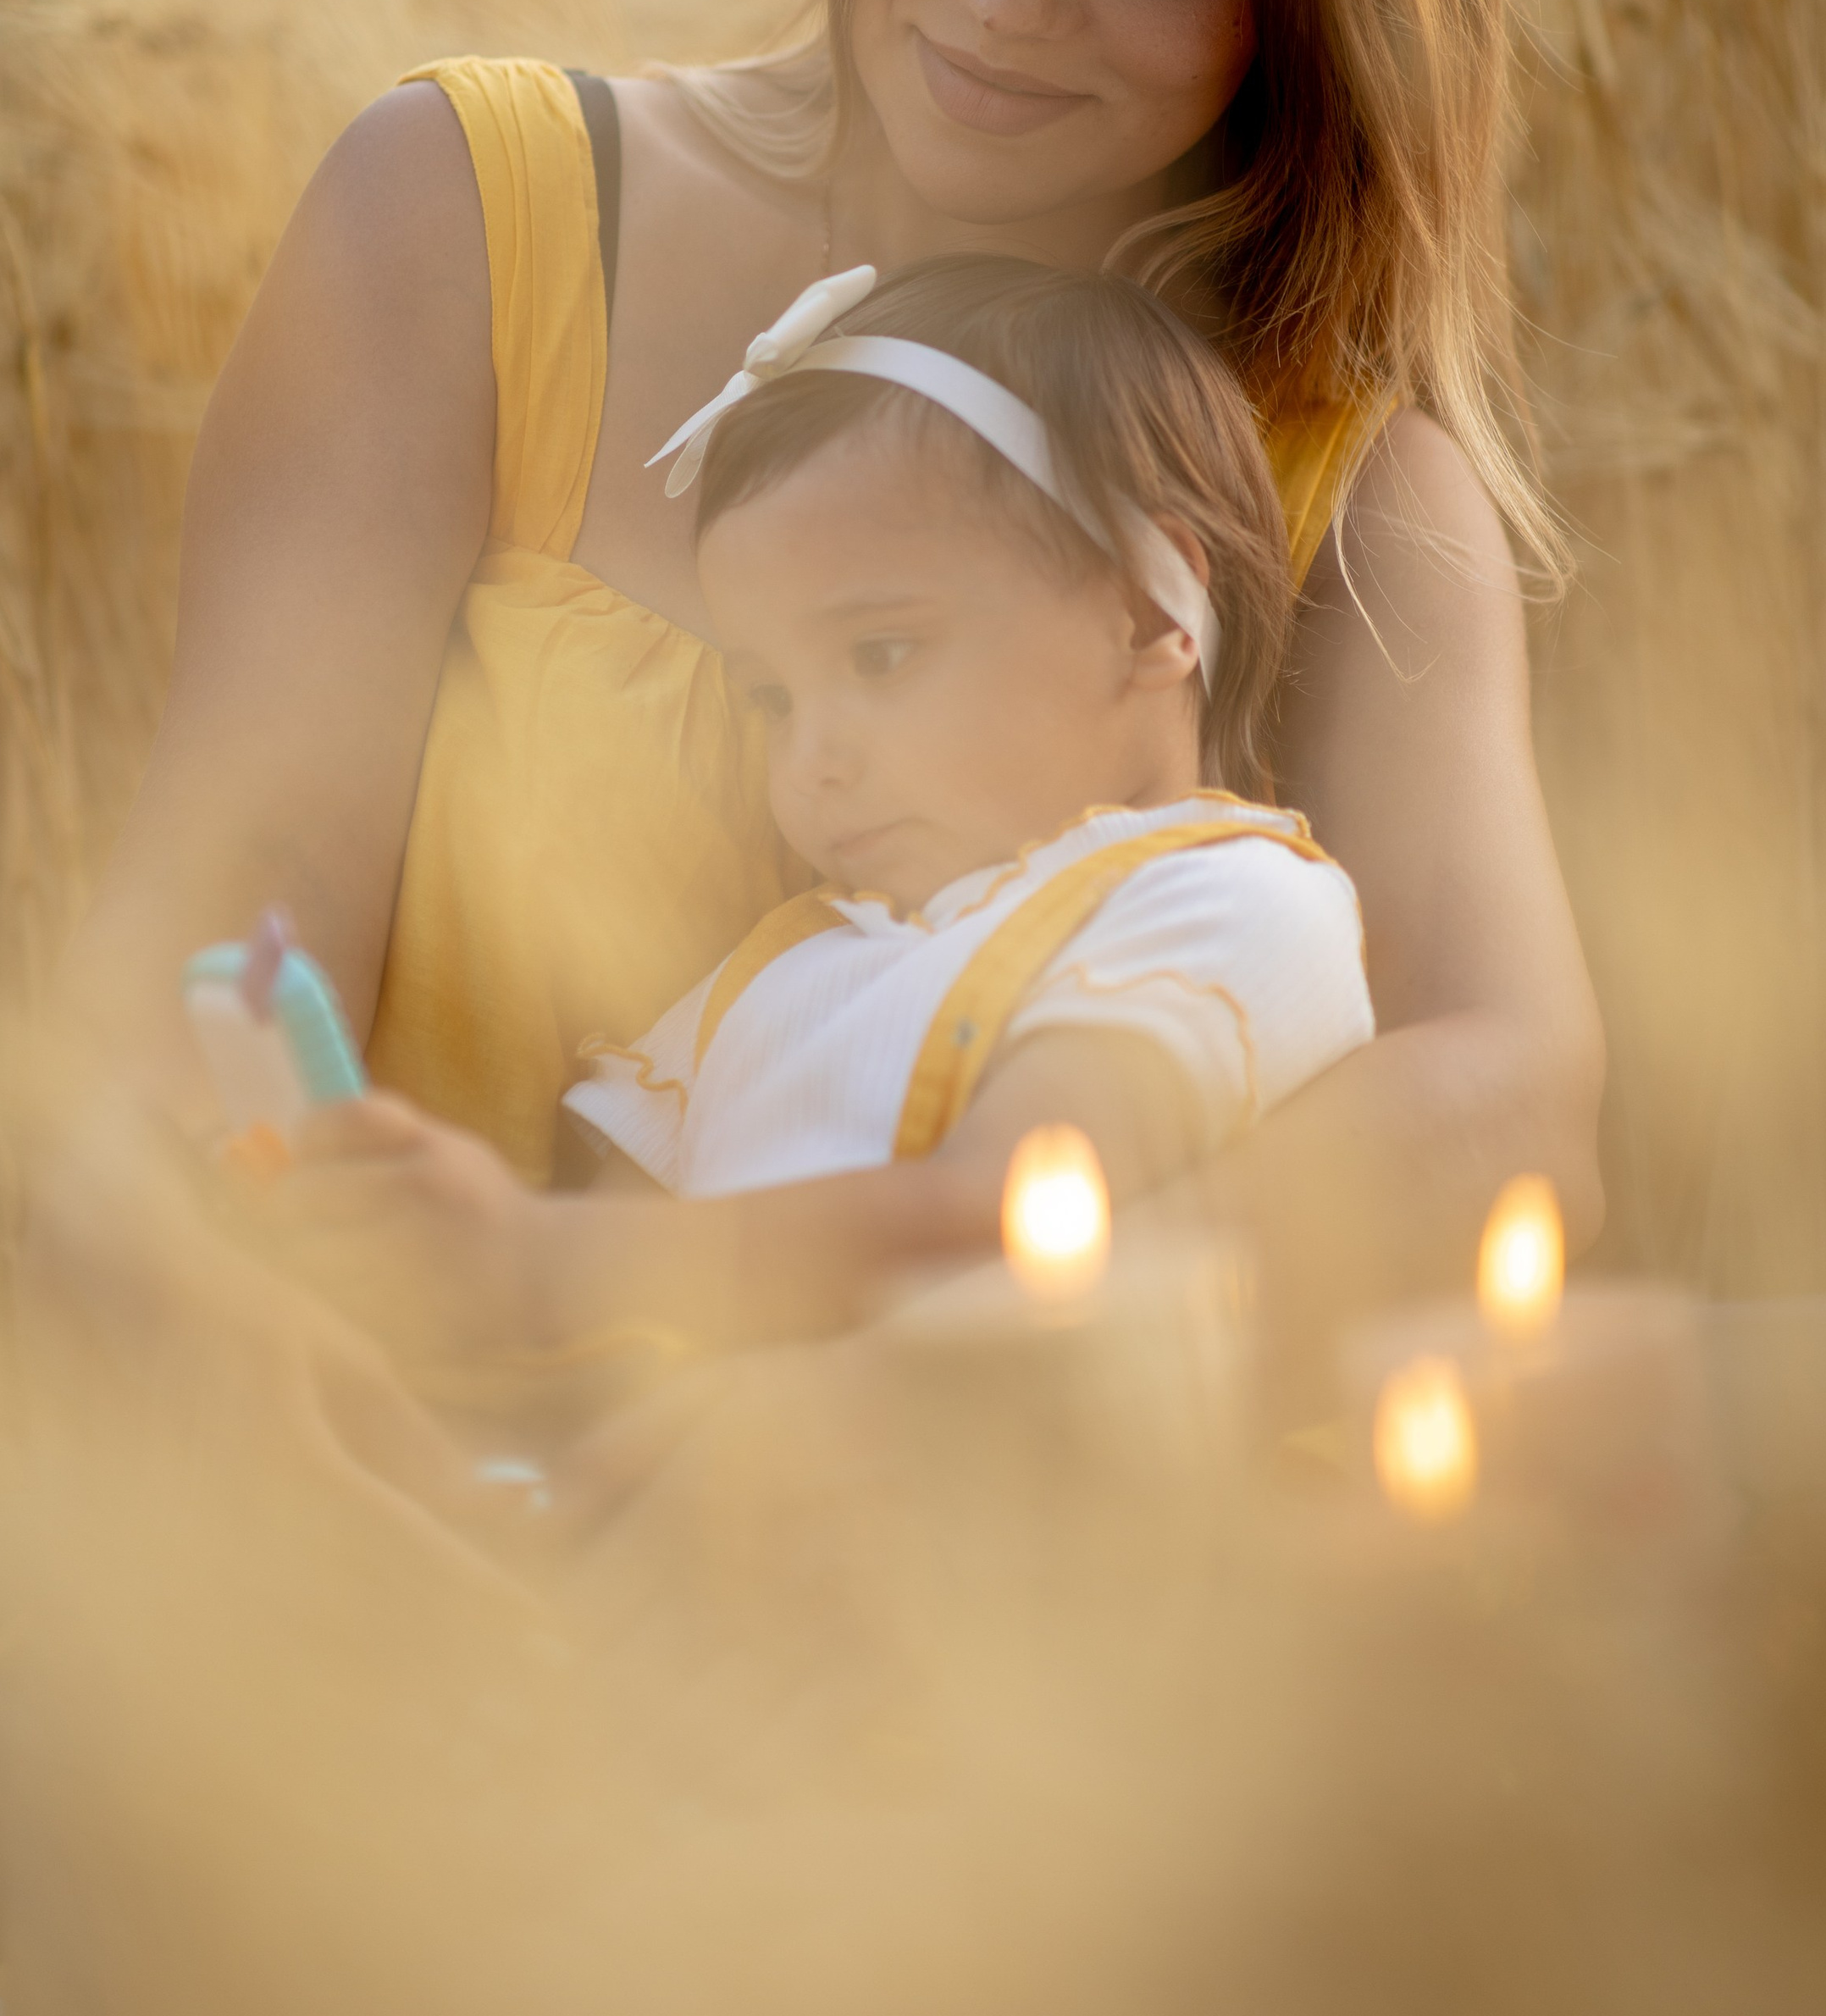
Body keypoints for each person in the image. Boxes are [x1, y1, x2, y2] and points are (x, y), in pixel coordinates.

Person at [68, 0, 1603, 1373]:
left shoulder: (1342, 492)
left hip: (993, 1601)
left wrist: (883, 1350)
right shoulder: (470, 224)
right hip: (372, 1507)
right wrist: (257, 1387)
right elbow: (187, 980)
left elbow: (1514, 1120)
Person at [268, 255, 1374, 1373]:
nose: (809, 761)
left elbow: (1008, 1222)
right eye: (772, 697)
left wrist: (539, 1262)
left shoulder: (1227, 895)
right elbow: (608, 1280)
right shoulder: (781, 970)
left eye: (881, 654)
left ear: (1144, 617)